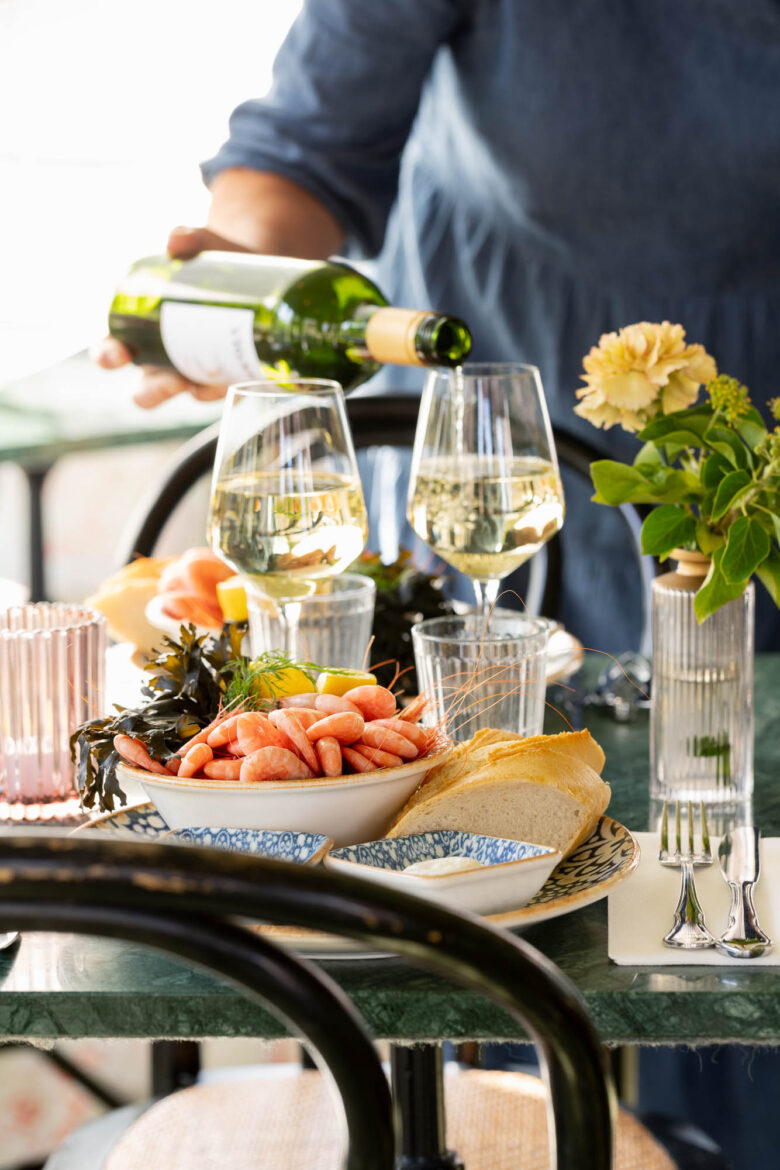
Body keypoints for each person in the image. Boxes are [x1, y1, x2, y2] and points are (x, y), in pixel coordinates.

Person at [94, 3, 780, 1164]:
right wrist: (242, 289)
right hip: (494, 434)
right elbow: (298, 156)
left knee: (729, 887)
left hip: (747, 475)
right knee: (481, 886)